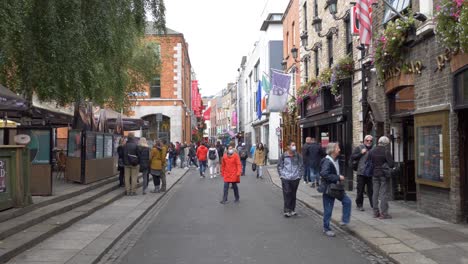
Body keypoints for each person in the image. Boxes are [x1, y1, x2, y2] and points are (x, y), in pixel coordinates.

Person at [319, 142, 352, 237]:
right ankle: (326, 228)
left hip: (337, 188)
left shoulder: (336, 159)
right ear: (332, 150)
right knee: (328, 209)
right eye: (338, 148)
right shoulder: (327, 161)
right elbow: (324, 174)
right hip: (329, 188)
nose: (340, 150)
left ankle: (344, 221)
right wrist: (337, 177)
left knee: (347, 201)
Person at [368, 136, 395, 219]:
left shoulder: (372, 151)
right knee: (383, 194)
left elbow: (369, 162)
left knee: (375, 193)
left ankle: (375, 212)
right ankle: (384, 213)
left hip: (375, 174)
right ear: (386, 144)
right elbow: (391, 164)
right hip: (383, 174)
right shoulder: (386, 151)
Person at [277, 141, 303, 217]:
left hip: (295, 178)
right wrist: (281, 175)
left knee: (293, 194)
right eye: (293, 145)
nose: (294, 146)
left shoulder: (298, 155)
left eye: (295, 145)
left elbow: (301, 165)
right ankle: (287, 210)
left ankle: (292, 209)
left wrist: (299, 176)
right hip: (286, 177)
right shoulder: (284, 155)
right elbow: (279, 166)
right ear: (288, 146)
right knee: (287, 193)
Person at [350, 135, 374, 211]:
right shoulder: (359, 148)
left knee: (371, 190)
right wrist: (361, 153)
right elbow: (353, 157)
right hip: (361, 172)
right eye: (367, 140)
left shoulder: (373, 149)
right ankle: (359, 205)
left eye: (370, 141)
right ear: (364, 141)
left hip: (370, 173)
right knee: (360, 190)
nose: (369, 142)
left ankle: (373, 205)